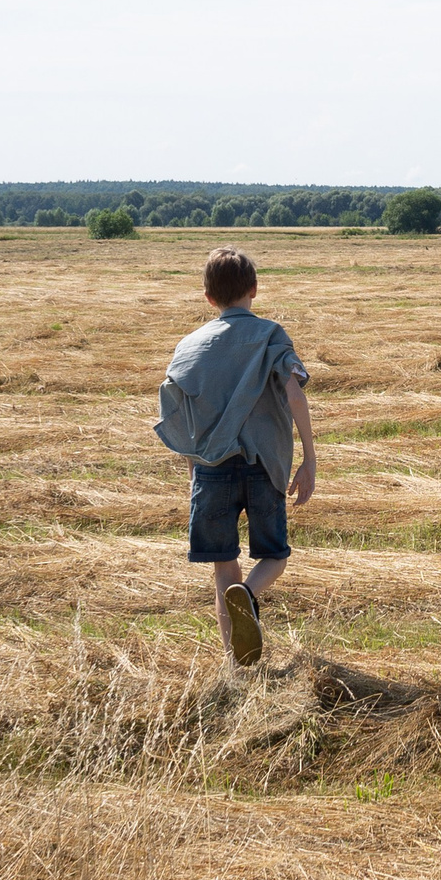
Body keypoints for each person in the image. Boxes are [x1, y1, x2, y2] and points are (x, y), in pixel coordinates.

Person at [154, 246, 317, 664]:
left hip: (211, 470)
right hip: (264, 465)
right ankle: (248, 595)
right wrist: (309, 460)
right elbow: (294, 392)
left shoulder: (190, 346)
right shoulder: (271, 335)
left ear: (209, 297)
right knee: (274, 556)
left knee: (222, 570)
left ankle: (236, 665)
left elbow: (178, 413)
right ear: (255, 290)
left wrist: (193, 469)